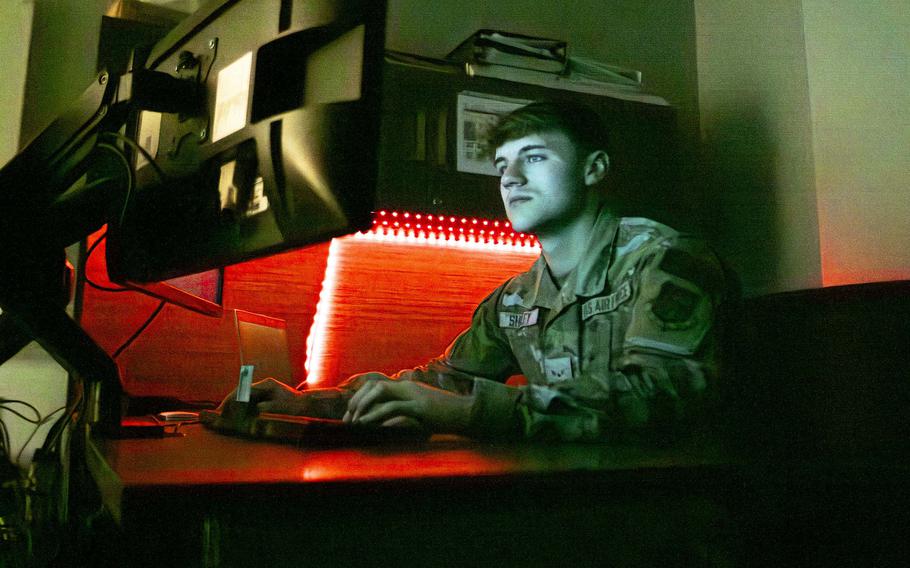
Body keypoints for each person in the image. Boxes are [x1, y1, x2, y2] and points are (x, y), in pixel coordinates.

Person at [223, 100, 728, 441]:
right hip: (567, 499)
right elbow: (441, 382)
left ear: (593, 168)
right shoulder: (515, 299)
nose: (510, 178)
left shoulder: (667, 258)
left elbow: (663, 396)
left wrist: (465, 412)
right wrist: (310, 404)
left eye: (534, 157)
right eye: (502, 164)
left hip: (670, 506)